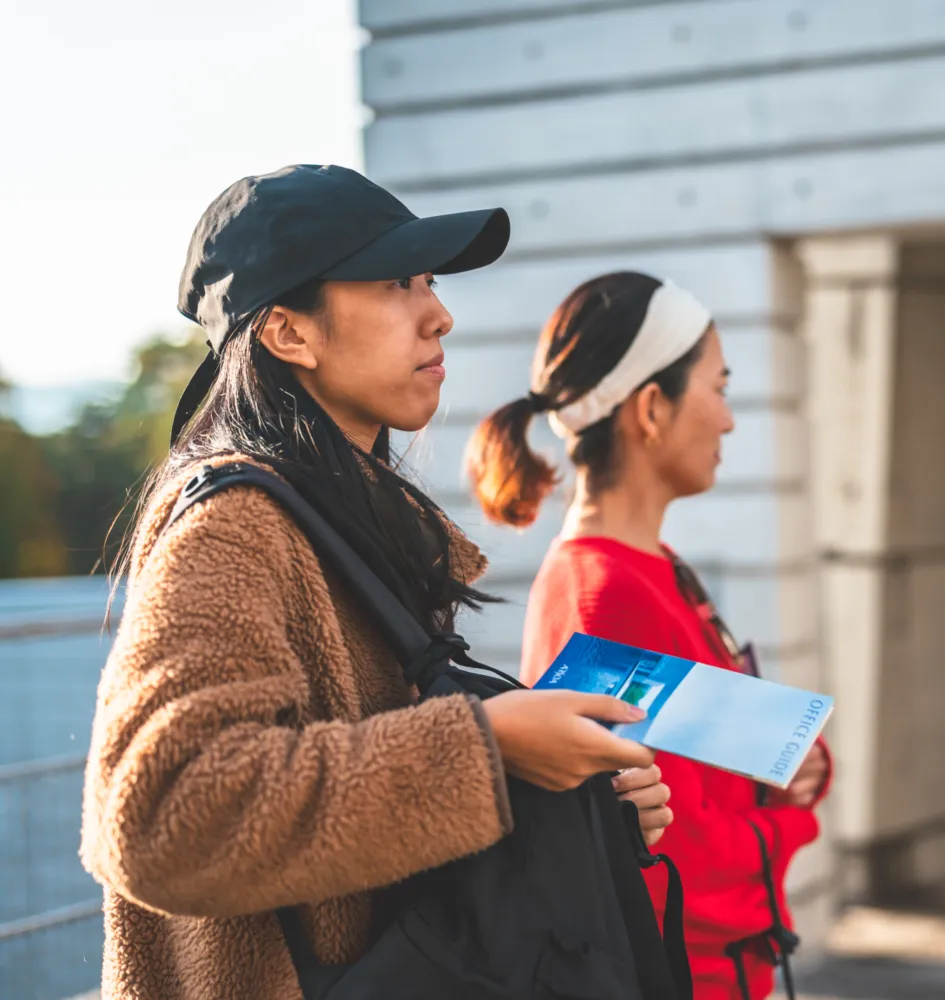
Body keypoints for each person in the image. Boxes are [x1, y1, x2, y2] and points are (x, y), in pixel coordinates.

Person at [80, 165, 670, 1000]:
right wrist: (487, 747)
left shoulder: (341, 517)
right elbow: (159, 818)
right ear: (289, 332)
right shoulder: (233, 526)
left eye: (430, 280)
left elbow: (387, 824)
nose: (440, 314)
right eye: (397, 283)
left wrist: (566, 798)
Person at [466, 271, 832, 1000]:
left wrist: (791, 759)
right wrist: (792, 823)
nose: (729, 420)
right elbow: (675, 863)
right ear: (653, 408)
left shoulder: (649, 568)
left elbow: (710, 766)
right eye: (719, 389)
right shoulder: (603, 596)